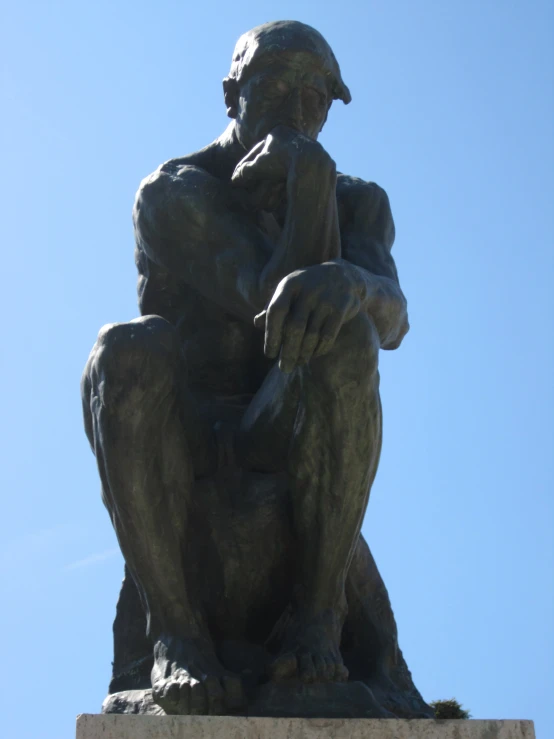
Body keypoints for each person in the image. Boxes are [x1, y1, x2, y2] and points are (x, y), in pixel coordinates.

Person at [82, 20, 410, 716]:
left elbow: (392, 319)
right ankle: (178, 634)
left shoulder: (363, 202)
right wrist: (309, 181)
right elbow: (273, 304)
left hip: (280, 425)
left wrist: (352, 280)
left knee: (347, 340)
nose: (296, 111)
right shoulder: (174, 191)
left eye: (316, 97)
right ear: (232, 93)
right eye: (276, 87)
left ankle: (317, 617)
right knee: (123, 351)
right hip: (194, 435)